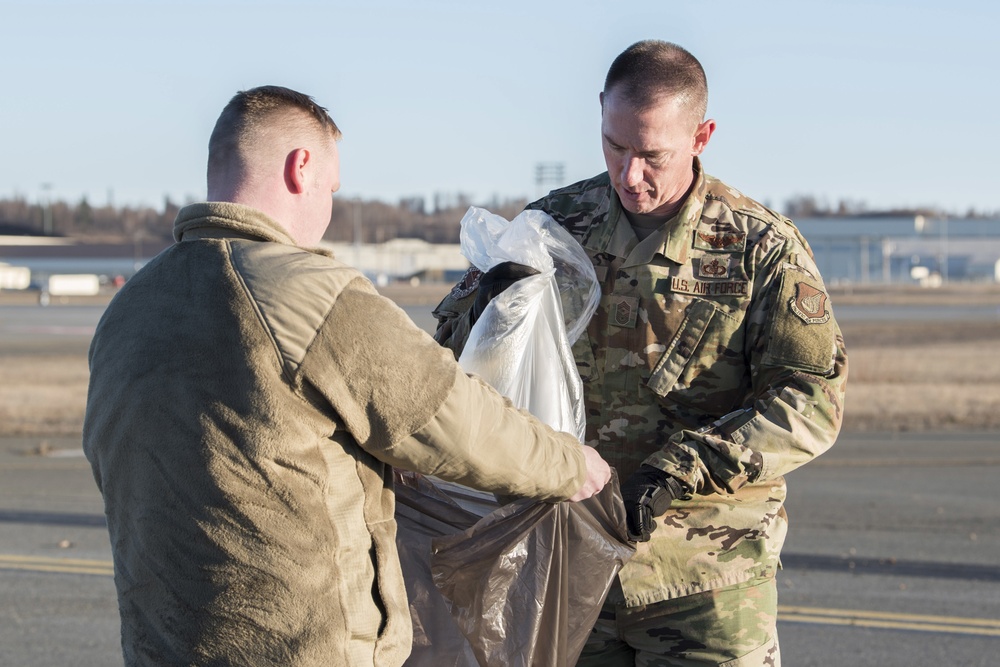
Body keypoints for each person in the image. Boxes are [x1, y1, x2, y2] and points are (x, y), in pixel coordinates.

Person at [82, 85, 611, 667]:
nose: (329, 210)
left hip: (162, 645)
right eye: (332, 189)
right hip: (302, 647)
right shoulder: (310, 294)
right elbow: (450, 418)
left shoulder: (129, 309)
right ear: (300, 166)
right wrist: (568, 462)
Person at [433, 41, 848, 666]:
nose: (630, 174)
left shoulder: (759, 248)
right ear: (601, 114)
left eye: (653, 155)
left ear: (701, 135)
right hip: (570, 568)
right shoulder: (553, 227)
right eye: (614, 146)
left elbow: (811, 401)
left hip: (705, 580)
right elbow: (456, 362)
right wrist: (482, 305)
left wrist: (683, 467)